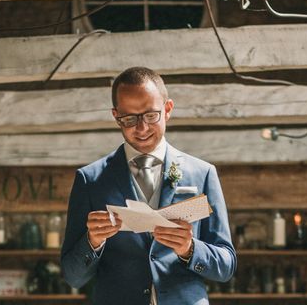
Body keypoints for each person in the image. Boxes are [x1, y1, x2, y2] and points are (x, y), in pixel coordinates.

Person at [61, 66, 236, 304]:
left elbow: (226, 267)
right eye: (129, 119)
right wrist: (93, 242)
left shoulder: (203, 173)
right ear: (115, 116)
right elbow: (72, 276)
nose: (141, 128)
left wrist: (189, 248)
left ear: (167, 109)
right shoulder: (90, 180)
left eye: (150, 115)